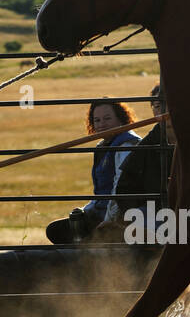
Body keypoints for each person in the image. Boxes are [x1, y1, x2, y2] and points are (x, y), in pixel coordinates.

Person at [45, 100, 140, 244]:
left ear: (121, 119)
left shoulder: (126, 145)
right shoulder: (102, 147)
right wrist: (85, 210)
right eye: (97, 120)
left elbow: (120, 189)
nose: (102, 124)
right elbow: (101, 194)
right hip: (100, 212)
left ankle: (87, 259)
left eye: (108, 118)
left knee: (79, 238)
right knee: (56, 229)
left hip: (120, 217)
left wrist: (109, 221)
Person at [110, 82, 175, 229]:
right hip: (154, 213)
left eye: (170, 104)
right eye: (157, 107)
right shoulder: (148, 144)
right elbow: (124, 187)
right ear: (153, 111)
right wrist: (134, 214)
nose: (164, 111)